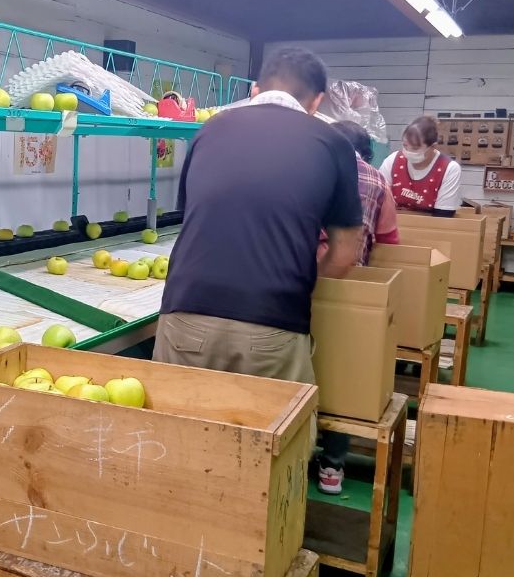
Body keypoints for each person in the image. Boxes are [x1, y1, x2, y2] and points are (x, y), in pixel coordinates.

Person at [153, 46, 363, 495]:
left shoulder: (209, 130)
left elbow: (193, 217)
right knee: (270, 466)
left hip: (185, 313)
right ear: (317, 101)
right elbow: (345, 253)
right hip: (272, 323)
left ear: (254, 90)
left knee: (176, 451)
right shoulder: (332, 143)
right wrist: (293, 290)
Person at [327, 121, 399, 266]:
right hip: (352, 272)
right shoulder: (379, 181)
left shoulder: (309, 168)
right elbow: (388, 239)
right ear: (365, 152)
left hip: (298, 269)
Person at [379, 116, 461, 217]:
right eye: (405, 146)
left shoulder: (449, 169)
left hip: (432, 224)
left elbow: (443, 215)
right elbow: (378, 199)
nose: (408, 152)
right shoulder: (392, 161)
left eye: (415, 148)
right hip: (393, 222)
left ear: (433, 147)